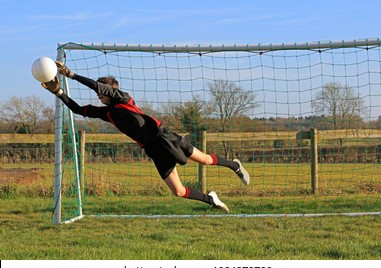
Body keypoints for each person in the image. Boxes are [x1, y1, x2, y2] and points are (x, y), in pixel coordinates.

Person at [41, 61, 250, 213]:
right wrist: (58, 91)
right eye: (99, 95)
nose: (99, 96)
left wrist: (71, 75)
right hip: (153, 149)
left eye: (102, 93)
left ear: (112, 90)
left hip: (165, 138)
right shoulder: (107, 113)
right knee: (177, 191)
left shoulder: (123, 98)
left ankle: (235, 166)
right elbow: (78, 109)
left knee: (204, 159)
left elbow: (99, 86)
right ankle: (211, 200)